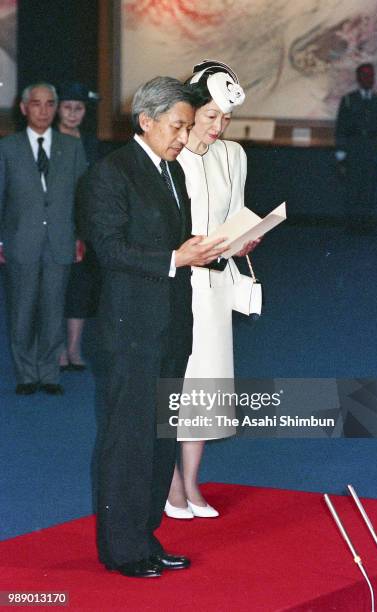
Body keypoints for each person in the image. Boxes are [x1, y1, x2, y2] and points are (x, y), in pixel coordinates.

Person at [83, 76, 227, 578]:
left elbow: (177, 243)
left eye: (188, 127)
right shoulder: (111, 173)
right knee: (127, 439)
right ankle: (121, 550)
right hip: (130, 329)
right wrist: (174, 256)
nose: (184, 138)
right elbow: (111, 249)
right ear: (146, 121)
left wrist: (215, 251)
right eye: (178, 126)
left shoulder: (172, 173)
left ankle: (145, 536)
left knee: (160, 438)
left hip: (170, 326)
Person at [165, 60, 260, 520]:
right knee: (178, 387)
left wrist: (246, 238)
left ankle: (191, 483)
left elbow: (235, 214)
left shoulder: (234, 155)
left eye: (226, 119)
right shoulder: (170, 153)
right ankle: (171, 486)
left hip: (218, 286)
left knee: (209, 389)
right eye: (210, 118)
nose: (219, 128)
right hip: (180, 287)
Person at [0, 82, 87, 395]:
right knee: (22, 310)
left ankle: (49, 373)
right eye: (36, 104)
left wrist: (80, 236)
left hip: (61, 240)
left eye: (50, 103)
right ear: (24, 108)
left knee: (53, 308)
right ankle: (26, 374)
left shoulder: (71, 147)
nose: (44, 110)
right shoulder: (7, 148)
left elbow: (81, 197)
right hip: (20, 241)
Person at [56, 81, 101, 372]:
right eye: (68, 107)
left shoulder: (89, 143)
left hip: (84, 227)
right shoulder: (45, 140)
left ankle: (74, 348)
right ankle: (56, 347)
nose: (73, 114)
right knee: (52, 289)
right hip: (53, 226)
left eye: (79, 108)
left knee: (79, 290)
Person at [335, 63, 377, 230]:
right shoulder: (348, 100)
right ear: (358, 78)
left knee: (369, 187)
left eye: (371, 76)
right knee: (353, 186)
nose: (369, 79)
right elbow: (341, 126)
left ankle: (367, 224)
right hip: (354, 148)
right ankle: (352, 224)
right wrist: (340, 149)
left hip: (373, 148)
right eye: (365, 76)